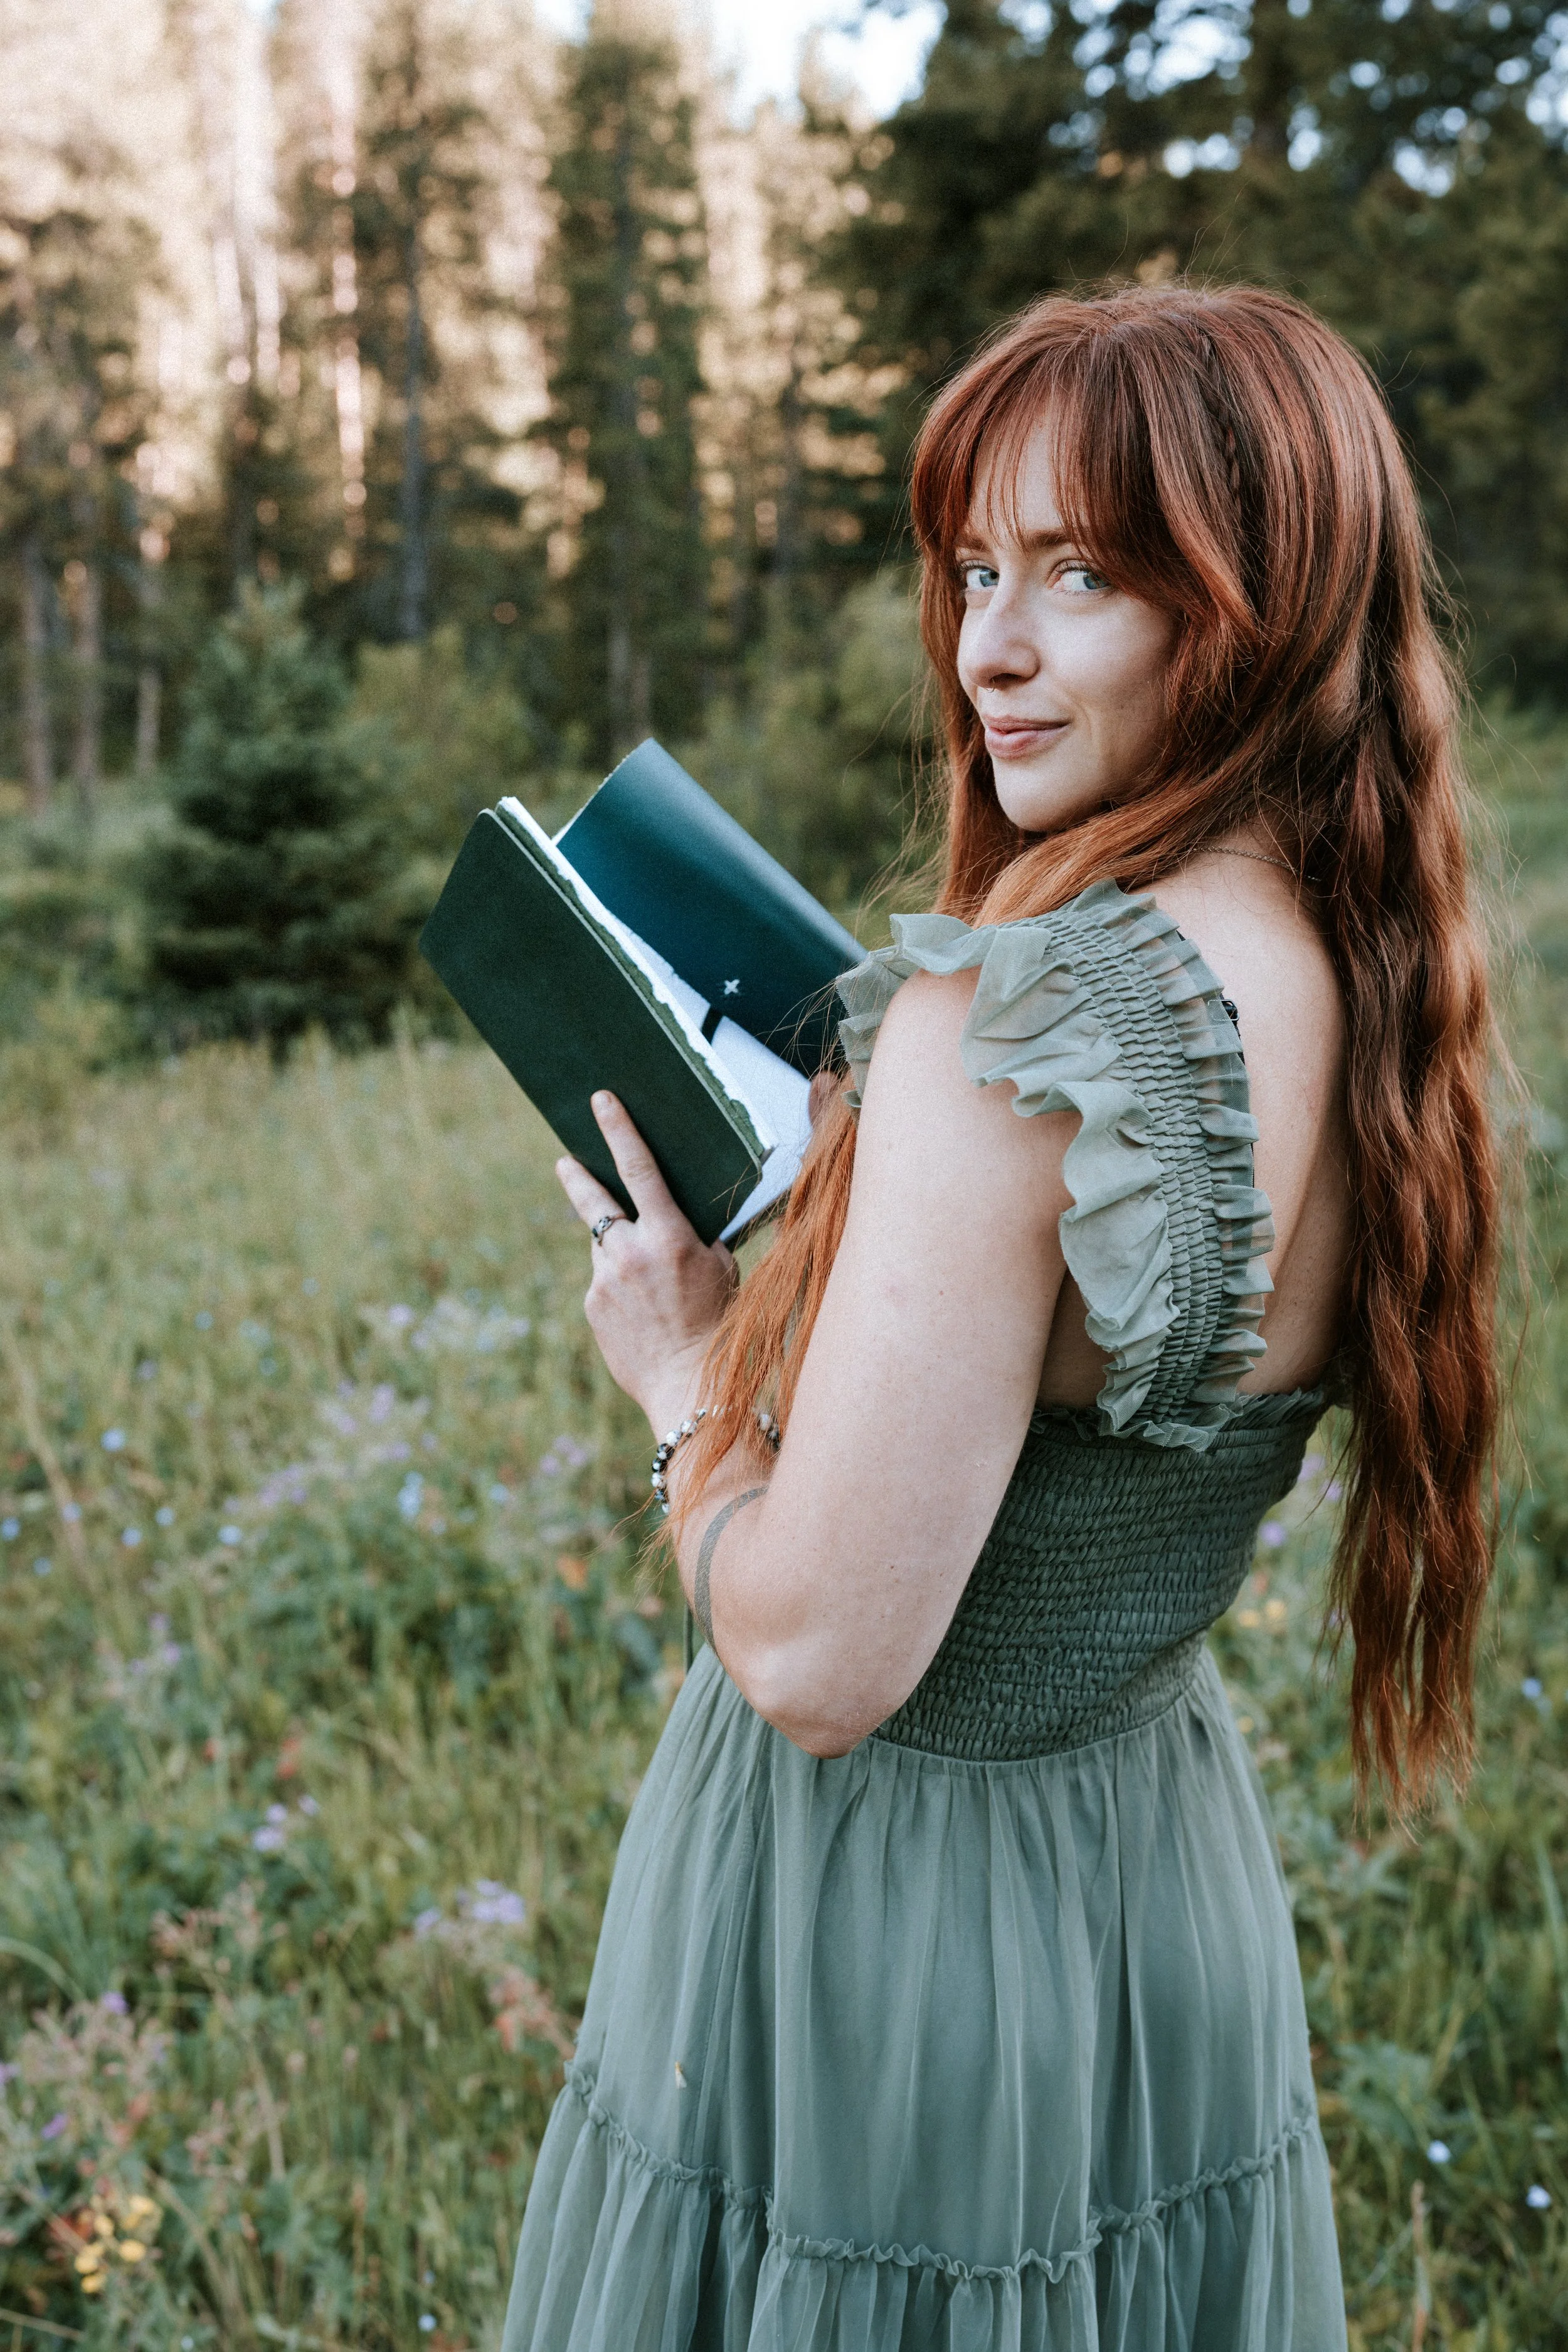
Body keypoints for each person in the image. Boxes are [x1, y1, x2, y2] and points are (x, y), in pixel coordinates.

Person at [502, 283, 1502, 2350]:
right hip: (1146, 1885)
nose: (987, 651)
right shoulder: (1359, 969)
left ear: (1255, 607)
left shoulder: (1009, 1016)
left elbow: (816, 1652)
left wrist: (689, 1360)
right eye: (974, 568)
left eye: (1082, 576)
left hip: (890, 1939)